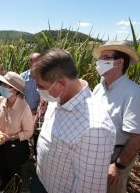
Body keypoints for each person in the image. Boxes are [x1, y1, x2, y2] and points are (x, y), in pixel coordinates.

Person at [30, 49, 116, 193]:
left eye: (41, 87)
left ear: (61, 84)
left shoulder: (95, 129)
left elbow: (88, 189)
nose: (38, 90)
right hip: (41, 181)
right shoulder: (57, 98)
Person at [92, 41, 140, 193]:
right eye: (100, 58)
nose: (99, 62)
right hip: (95, 152)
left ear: (120, 62)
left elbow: (137, 137)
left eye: (105, 58)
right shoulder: (99, 88)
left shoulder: (134, 93)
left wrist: (118, 166)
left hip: (115, 156)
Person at [0, 71, 34, 191]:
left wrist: (10, 137)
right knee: (2, 166)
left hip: (16, 147)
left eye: (5, 85)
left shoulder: (24, 108)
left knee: (15, 171)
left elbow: (29, 132)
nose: (1, 87)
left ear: (14, 90)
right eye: (2, 84)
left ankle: (14, 188)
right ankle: (5, 185)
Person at [21, 53, 42, 155]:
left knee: (38, 140)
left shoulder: (45, 78)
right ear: (30, 63)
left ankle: (37, 159)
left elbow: (45, 99)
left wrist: (36, 112)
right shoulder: (22, 77)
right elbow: (18, 96)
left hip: (39, 114)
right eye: (35, 61)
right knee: (23, 139)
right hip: (23, 114)